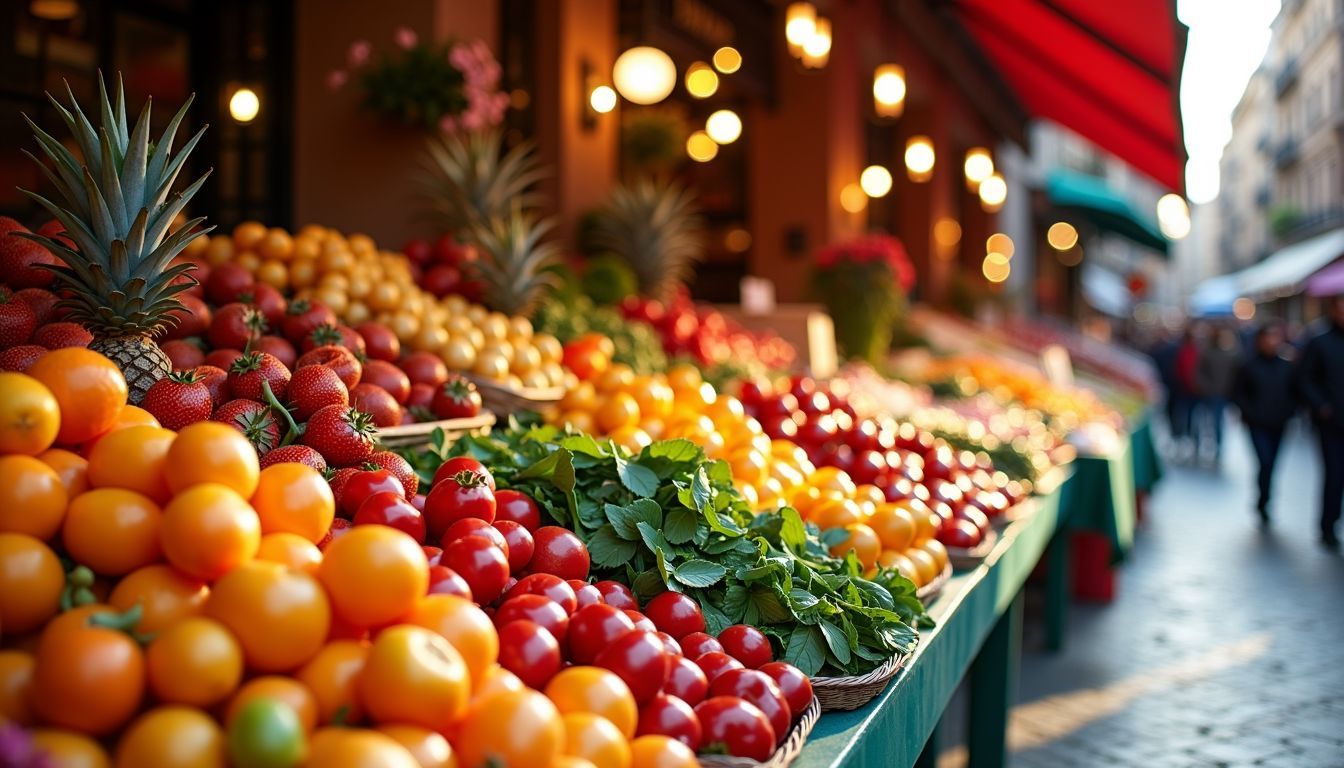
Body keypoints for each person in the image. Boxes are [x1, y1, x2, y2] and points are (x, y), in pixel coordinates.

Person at [1232, 324, 1295, 524]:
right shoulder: (1248, 365)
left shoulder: (1286, 366)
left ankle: (1266, 497)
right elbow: (1237, 392)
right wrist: (1250, 413)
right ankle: (1263, 498)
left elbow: (1295, 391)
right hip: (1258, 423)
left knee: (1272, 463)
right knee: (1265, 461)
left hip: (1279, 422)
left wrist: (1290, 410)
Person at [1297, 294, 1344, 549]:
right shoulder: (1319, 342)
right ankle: (1328, 526)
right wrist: (1321, 406)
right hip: (1331, 423)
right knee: (1334, 475)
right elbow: (1306, 378)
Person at [1195, 326, 1241, 463]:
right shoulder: (1208, 354)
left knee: (1217, 421)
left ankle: (1218, 446)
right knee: (1208, 420)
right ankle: (1206, 443)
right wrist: (1205, 387)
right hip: (1210, 393)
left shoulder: (1233, 354)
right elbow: (1200, 373)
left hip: (1223, 393)